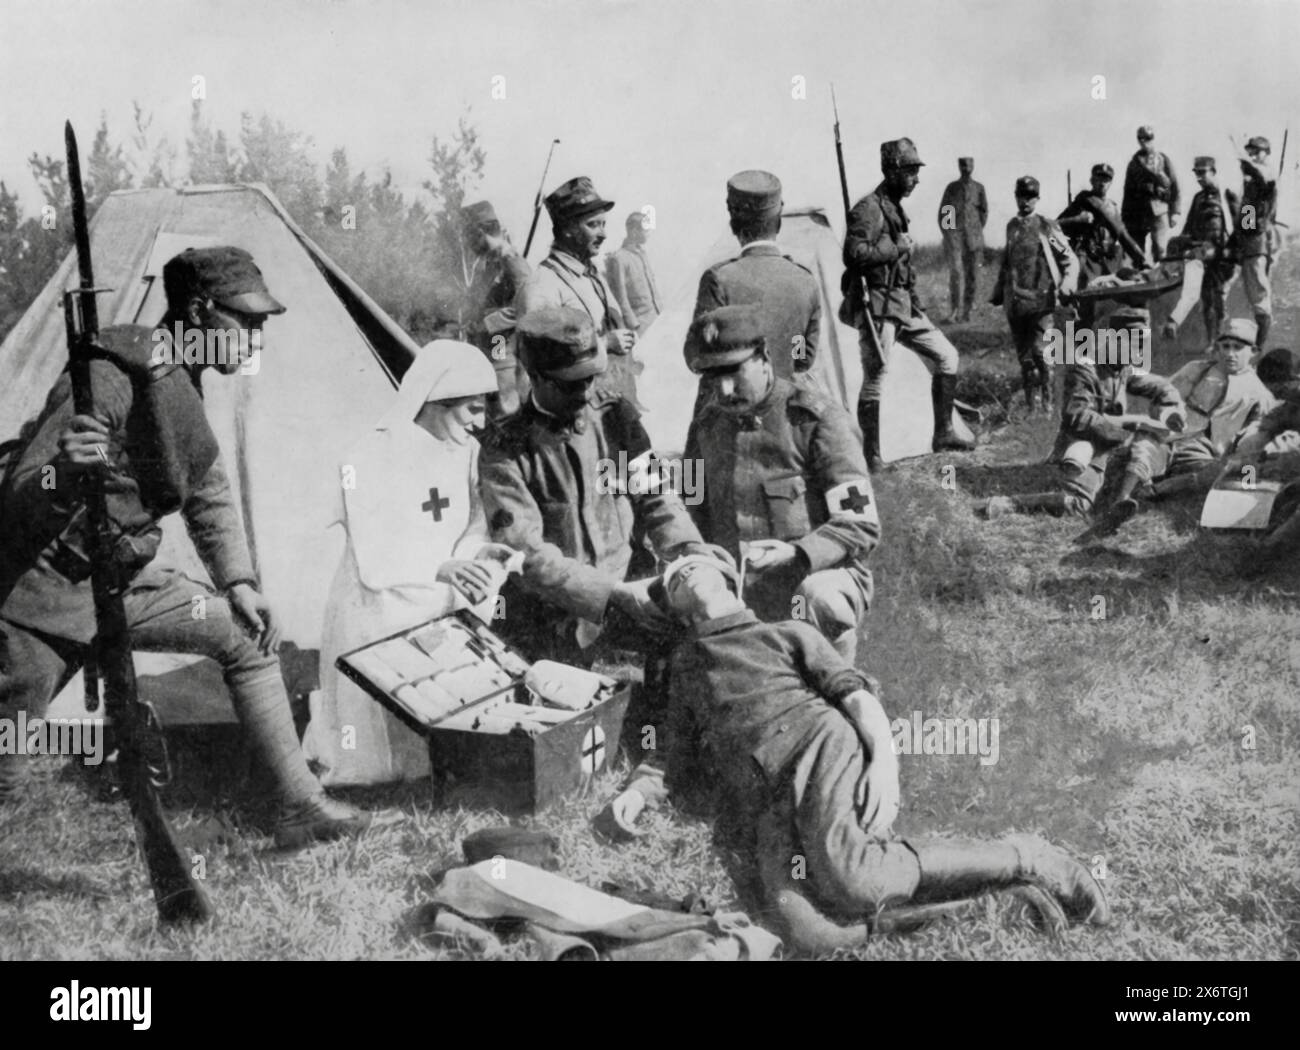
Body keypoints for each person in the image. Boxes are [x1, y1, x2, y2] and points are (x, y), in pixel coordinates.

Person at [0, 247, 394, 846]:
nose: (257, 338)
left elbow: (207, 489)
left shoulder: (176, 378)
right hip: (42, 596)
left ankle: (299, 805)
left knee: (247, 636)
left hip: (122, 583)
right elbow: (24, 490)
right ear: (199, 310)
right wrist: (65, 472)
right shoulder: (110, 375)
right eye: (247, 321)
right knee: (6, 770)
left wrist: (239, 583)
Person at [598, 550, 1110, 953]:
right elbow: (671, 756)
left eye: (694, 565)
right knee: (806, 931)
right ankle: (1003, 898)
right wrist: (637, 794)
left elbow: (857, 698)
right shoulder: (686, 666)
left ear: (729, 580)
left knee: (852, 882)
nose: (683, 572)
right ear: (677, 612)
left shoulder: (785, 633)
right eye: (672, 580)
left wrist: (884, 762)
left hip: (819, 749)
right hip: (769, 802)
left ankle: (1028, 857)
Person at [305, 341, 515, 785]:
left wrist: (475, 557)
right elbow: (372, 551)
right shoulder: (369, 455)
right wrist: (440, 568)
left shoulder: (467, 452)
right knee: (378, 748)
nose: (480, 423)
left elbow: (474, 524)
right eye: (473, 409)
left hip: (438, 601)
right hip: (379, 604)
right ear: (436, 400)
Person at [477, 305, 703, 670]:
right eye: (570, 383)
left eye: (590, 378)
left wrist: (690, 551)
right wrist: (610, 594)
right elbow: (527, 554)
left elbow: (655, 494)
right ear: (535, 377)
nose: (585, 393)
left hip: (633, 593)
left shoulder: (616, 417)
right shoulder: (506, 450)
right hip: (555, 622)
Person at [682, 305, 877, 663]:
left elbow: (859, 523)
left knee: (820, 601)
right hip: (737, 586)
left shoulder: (818, 421)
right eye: (711, 377)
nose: (724, 389)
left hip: (810, 575)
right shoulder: (705, 427)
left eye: (734, 372)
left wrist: (797, 554)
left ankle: (839, 685)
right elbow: (689, 505)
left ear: (765, 358)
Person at [843, 138, 974, 472]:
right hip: (878, 305)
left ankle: (943, 433)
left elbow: (901, 266)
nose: (916, 179)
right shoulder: (868, 208)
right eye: (911, 172)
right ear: (892, 171)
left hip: (903, 304)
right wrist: (895, 246)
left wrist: (915, 301)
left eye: (917, 172)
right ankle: (872, 457)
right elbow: (854, 254)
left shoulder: (894, 207)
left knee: (947, 356)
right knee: (876, 376)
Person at [979, 307, 1183, 520]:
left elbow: (1158, 385)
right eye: (1135, 345)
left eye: (1142, 346)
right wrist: (1131, 425)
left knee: (1152, 451)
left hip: (1108, 447)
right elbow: (1077, 416)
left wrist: (1171, 405)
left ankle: (1120, 499)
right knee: (1078, 505)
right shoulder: (1085, 369)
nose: (1139, 354)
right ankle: (1005, 504)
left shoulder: (1120, 367)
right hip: (1083, 447)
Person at [1082, 318, 1277, 538]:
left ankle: (1152, 491)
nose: (1230, 354)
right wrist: (1169, 414)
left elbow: (1253, 440)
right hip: (1171, 435)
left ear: (1253, 352)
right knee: (1145, 445)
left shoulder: (1259, 394)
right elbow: (1166, 397)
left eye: (1238, 348)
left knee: (1207, 475)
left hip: (1205, 451)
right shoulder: (1198, 370)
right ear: (1217, 347)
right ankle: (1120, 504)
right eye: (1226, 346)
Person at [516, 177, 641, 408]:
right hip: (576, 409)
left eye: (603, 224)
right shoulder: (543, 284)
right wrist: (605, 344)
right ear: (568, 229)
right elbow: (538, 359)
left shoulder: (592, 275)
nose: (603, 234)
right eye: (593, 225)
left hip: (614, 402)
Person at [690, 170, 820, 383]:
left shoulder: (718, 279)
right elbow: (802, 359)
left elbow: (697, 357)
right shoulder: (805, 280)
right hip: (783, 398)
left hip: (729, 399)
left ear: (734, 225)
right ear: (778, 221)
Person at [990, 176, 1080, 414]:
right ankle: (1032, 408)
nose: (1025, 201)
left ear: (1037, 199)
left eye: (1030, 197)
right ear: (1016, 197)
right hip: (1016, 302)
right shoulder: (1011, 226)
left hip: (1041, 301)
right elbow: (1007, 260)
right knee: (1025, 358)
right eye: (1022, 196)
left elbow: (1068, 258)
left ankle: (1049, 407)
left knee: (1042, 353)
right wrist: (999, 290)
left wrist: (1068, 281)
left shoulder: (1045, 227)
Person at [459, 200, 531, 418]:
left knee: (505, 410)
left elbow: (528, 307)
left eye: (470, 236)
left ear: (480, 232)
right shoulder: (490, 263)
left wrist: (488, 323)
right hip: (489, 348)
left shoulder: (512, 262)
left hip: (502, 348)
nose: (469, 243)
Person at [1057, 162, 1148, 326]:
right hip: (1088, 260)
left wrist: (1141, 259)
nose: (1102, 183)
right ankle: (1082, 339)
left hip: (1111, 261)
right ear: (1092, 180)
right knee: (1086, 305)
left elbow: (1122, 235)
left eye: (1107, 180)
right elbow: (1055, 226)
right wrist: (1078, 219)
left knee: (1119, 301)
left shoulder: (1112, 207)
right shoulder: (1083, 201)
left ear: (1111, 182)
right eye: (1099, 178)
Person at [1160, 157, 1239, 346]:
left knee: (1218, 299)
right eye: (1197, 173)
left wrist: (1237, 247)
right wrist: (1180, 244)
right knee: (1207, 301)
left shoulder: (1228, 193)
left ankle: (1221, 340)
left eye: (1203, 173)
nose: (1199, 178)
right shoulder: (1198, 198)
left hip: (1223, 256)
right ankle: (1212, 342)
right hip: (1201, 253)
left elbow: (1247, 220)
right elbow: (1188, 228)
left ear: (1213, 171)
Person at [1231, 136, 1279, 348]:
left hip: (1259, 242)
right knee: (1252, 292)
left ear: (1266, 153)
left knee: (1259, 293)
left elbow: (1263, 180)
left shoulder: (1267, 173)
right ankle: (1255, 341)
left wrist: (1246, 164)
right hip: (1251, 241)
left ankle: (1259, 344)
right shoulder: (1253, 184)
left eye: (1256, 152)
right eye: (1250, 152)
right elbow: (1248, 215)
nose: (1252, 156)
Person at [937, 157, 988, 323]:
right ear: (959, 166)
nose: (966, 168)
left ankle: (968, 311)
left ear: (973, 166)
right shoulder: (952, 188)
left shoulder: (979, 188)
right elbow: (945, 212)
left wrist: (975, 231)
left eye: (969, 165)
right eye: (963, 165)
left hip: (973, 239)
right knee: (956, 274)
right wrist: (950, 234)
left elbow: (983, 213)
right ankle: (955, 311)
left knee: (972, 275)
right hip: (955, 239)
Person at [1121, 125, 1181, 262]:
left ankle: (1161, 272)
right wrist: (1125, 217)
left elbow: (1175, 186)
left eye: (1148, 138)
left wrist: (1175, 212)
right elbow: (1127, 192)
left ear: (1153, 139)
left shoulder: (1163, 159)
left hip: (1159, 210)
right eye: (1141, 139)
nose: (1145, 142)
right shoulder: (1134, 163)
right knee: (1136, 250)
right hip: (1138, 211)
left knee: (1160, 249)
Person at [605, 211, 661, 334]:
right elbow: (620, 296)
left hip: (656, 318)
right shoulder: (619, 258)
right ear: (634, 231)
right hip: (640, 325)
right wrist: (634, 325)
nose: (649, 234)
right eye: (646, 230)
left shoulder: (642, 254)